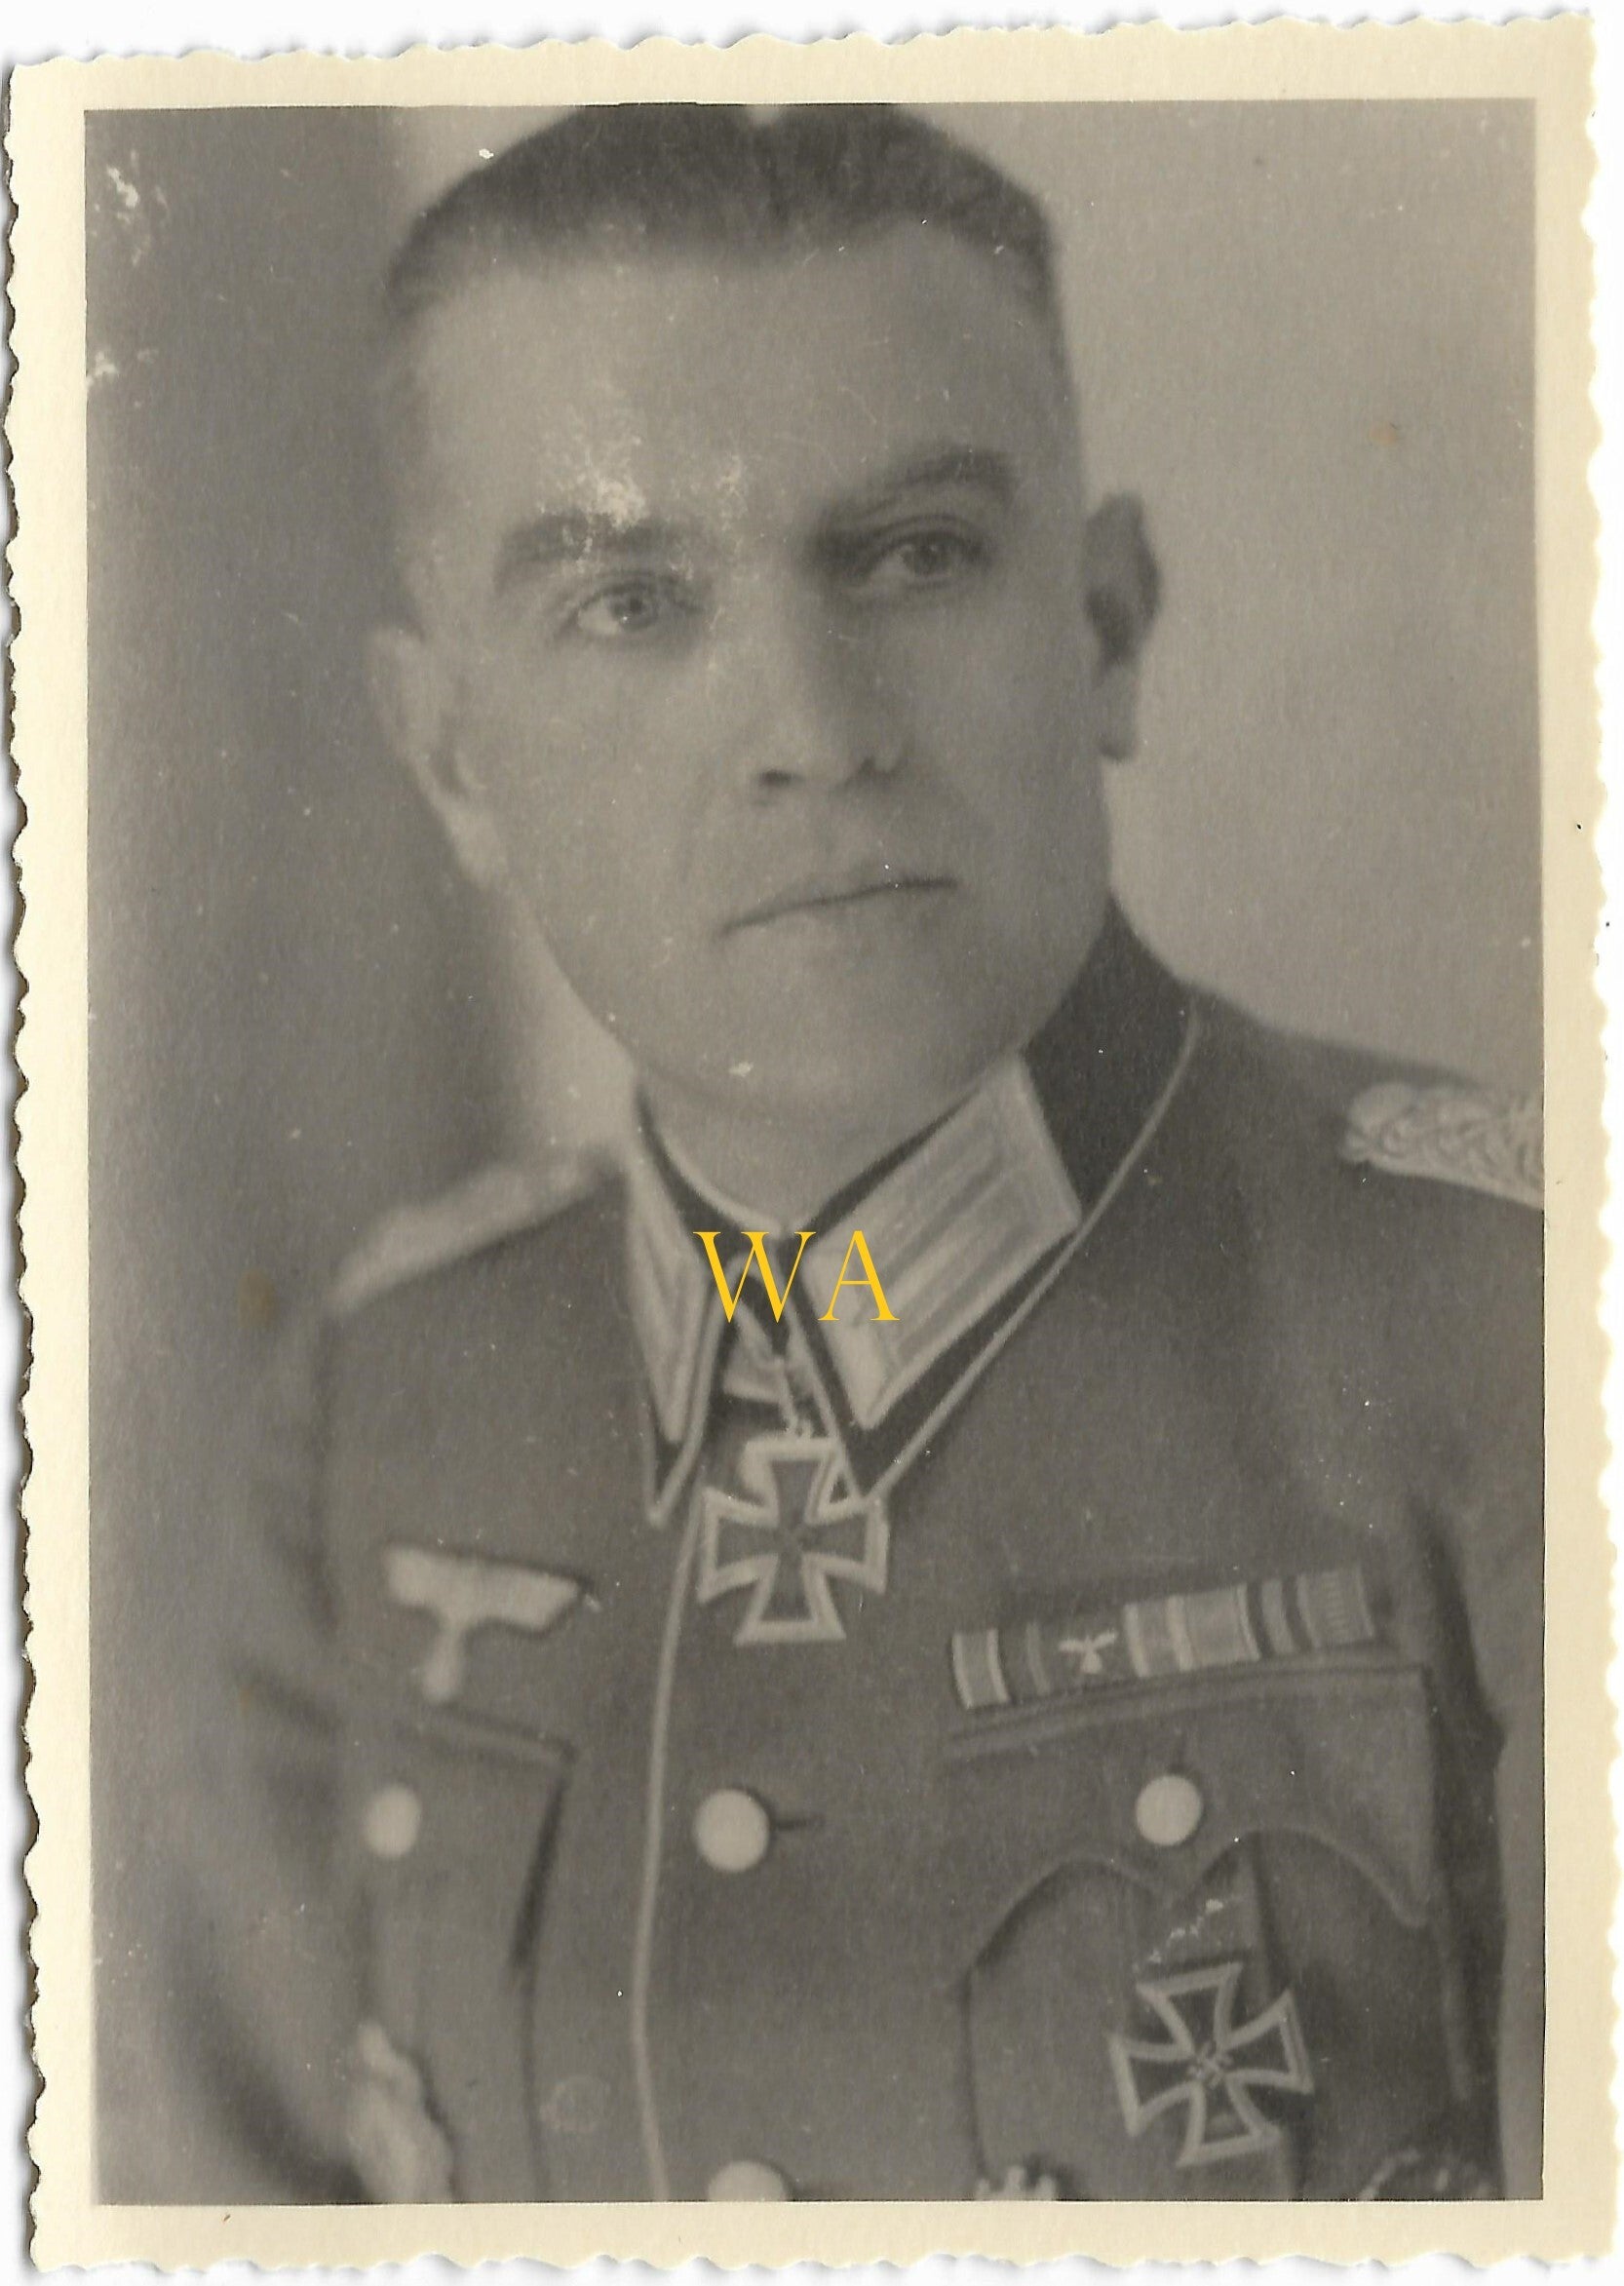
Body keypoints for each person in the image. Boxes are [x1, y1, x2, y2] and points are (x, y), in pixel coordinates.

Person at [160, 102, 1542, 2204]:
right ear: (453, 760)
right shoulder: (381, 1412)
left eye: (912, 556)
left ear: (1102, 630)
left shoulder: (1521, 1337)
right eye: (631, 600)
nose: (810, 728)